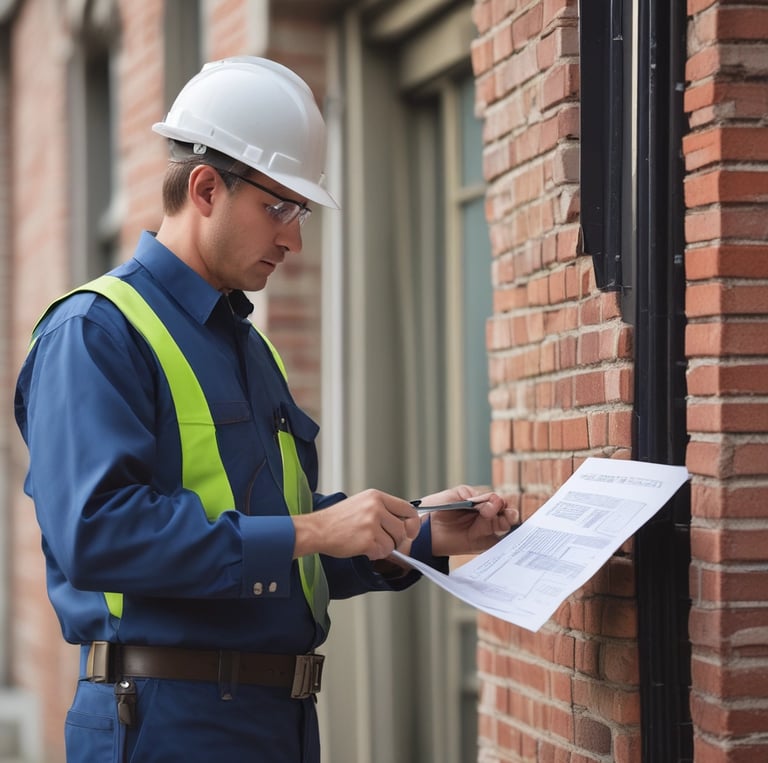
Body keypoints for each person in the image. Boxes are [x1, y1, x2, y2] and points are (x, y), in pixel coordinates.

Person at [14, 56, 515, 763]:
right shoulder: (96, 332)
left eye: (298, 211)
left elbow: (286, 549)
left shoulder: (249, 347)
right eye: (278, 207)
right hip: (164, 724)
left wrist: (423, 531)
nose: (293, 238)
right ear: (206, 187)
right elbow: (96, 534)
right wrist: (313, 529)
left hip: (277, 723)